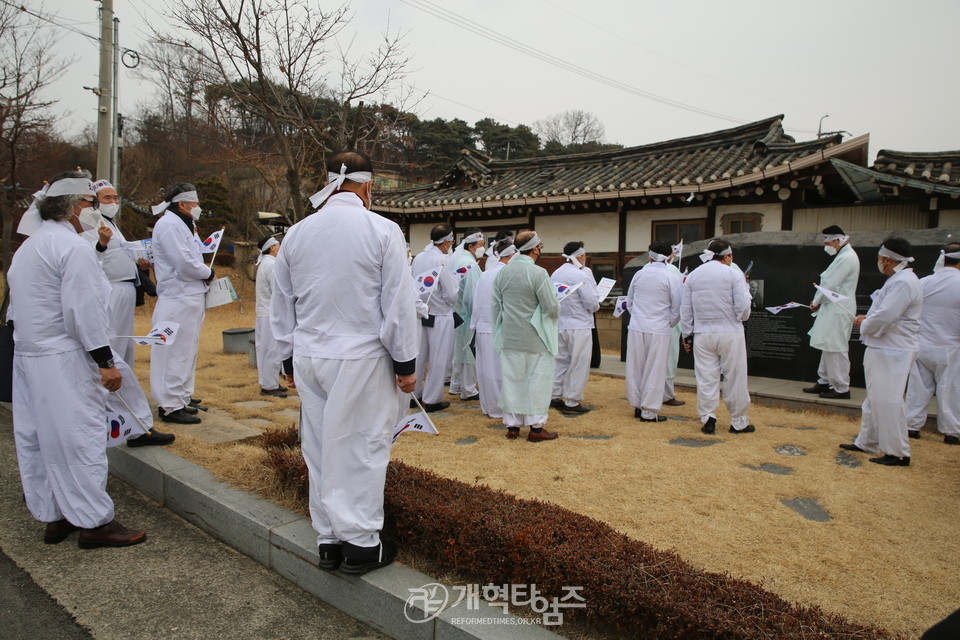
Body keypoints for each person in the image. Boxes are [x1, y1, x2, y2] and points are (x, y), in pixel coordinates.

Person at [271, 151, 418, 575]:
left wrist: (287, 361)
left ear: (330, 181)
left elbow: (282, 304)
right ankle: (361, 544)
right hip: (360, 356)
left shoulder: (297, 233)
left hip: (311, 355)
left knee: (319, 446)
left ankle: (329, 539)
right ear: (369, 186)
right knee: (362, 445)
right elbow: (398, 304)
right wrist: (406, 364)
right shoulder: (383, 229)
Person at [8, 170, 146, 547]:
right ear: (72, 208)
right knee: (79, 438)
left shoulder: (30, 247)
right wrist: (105, 362)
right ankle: (94, 523)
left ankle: (56, 516)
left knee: (39, 438)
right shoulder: (73, 248)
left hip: (30, 356)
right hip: (65, 358)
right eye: (89, 203)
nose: (95, 209)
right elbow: (81, 311)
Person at [841, 237, 922, 466]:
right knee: (875, 399)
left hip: (893, 349)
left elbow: (888, 316)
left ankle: (897, 451)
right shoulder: (899, 280)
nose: (879, 263)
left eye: (879, 259)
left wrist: (864, 325)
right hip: (884, 346)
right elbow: (885, 312)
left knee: (889, 400)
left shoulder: (904, 282)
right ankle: (868, 441)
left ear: (887, 260)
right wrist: (868, 319)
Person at [149, 183, 214, 425]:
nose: (198, 208)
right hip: (177, 297)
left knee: (186, 351)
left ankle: (181, 396)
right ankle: (169, 404)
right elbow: (185, 264)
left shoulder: (183, 224)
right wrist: (208, 271)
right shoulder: (169, 225)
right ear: (182, 204)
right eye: (195, 203)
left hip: (189, 296)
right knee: (173, 352)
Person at [492, 230, 561, 441]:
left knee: (512, 379)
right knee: (537, 381)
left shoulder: (503, 272)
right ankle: (536, 428)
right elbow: (550, 306)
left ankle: (512, 426)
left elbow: (496, 306)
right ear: (535, 248)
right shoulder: (538, 273)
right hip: (535, 336)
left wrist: (501, 330)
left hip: (511, 335)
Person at [680, 239, 754, 434]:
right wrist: (741, 317)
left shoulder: (694, 275)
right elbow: (743, 308)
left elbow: (686, 309)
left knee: (706, 377)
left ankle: (708, 417)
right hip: (730, 331)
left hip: (703, 333)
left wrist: (687, 335)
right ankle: (738, 421)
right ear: (727, 256)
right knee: (735, 376)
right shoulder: (734, 274)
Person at [81, 179, 148, 367]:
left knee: (125, 341)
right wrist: (101, 243)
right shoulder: (90, 224)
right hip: (110, 288)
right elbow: (88, 255)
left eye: (116, 198)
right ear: (96, 200)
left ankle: (124, 385)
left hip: (126, 287)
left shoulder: (112, 224)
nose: (113, 202)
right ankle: (109, 386)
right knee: (113, 338)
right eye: (107, 198)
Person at [905, 244, 960, 445]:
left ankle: (912, 426)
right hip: (951, 346)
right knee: (951, 389)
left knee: (918, 388)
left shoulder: (924, 282)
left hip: (921, 344)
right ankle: (951, 432)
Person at [626, 242, 683, 422]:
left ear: (650, 256)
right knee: (655, 369)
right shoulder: (671, 277)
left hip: (637, 326)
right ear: (670, 257)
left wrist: (637, 317)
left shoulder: (639, 274)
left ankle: (637, 404)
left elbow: (630, 302)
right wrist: (669, 323)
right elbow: (677, 307)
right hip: (659, 328)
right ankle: (649, 411)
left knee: (636, 367)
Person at [804, 225, 859, 399]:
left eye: (828, 242)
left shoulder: (846, 258)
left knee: (836, 346)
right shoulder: (843, 256)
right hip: (833, 306)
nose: (826, 245)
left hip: (838, 307)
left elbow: (830, 284)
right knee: (828, 344)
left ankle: (841, 387)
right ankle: (825, 380)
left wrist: (816, 301)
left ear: (837, 240)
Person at [410, 223, 458, 412]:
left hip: (422, 312)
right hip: (440, 314)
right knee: (439, 359)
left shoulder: (419, 257)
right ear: (446, 242)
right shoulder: (442, 260)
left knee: (420, 357)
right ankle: (432, 398)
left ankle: (414, 395)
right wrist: (447, 301)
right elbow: (451, 293)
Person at [549, 241, 599, 414]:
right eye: (583, 256)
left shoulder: (555, 273)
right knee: (579, 362)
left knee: (560, 361)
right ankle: (572, 400)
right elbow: (591, 302)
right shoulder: (581, 275)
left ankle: (554, 395)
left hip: (560, 323)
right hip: (579, 325)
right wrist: (596, 306)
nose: (585, 259)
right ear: (579, 256)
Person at [471, 237, 516, 419]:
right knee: (500, 370)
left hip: (482, 327)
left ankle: (488, 407)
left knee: (485, 370)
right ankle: (500, 409)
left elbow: (476, 301)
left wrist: (474, 324)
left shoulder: (485, 273)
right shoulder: (506, 273)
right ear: (511, 255)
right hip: (499, 327)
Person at [449, 229, 485, 401]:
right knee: (468, 352)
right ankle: (469, 389)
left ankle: (456, 385)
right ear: (471, 247)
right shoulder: (469, 264)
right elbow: (471, 295)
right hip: (467, 313)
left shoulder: (461, 260)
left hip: (458, 312)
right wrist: (476, 315)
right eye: (481, 245)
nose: (483, 248)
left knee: (460, 350)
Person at [255, 235, 288, 398]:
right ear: (272, 248)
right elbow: (279, 289)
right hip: (269, 313)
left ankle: (271, 382)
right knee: (271, 350)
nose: (280, 247)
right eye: (278, 244)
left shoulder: (265, 263)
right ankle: (269, 385)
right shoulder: (271, 264)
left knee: (266, 349)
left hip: (264, 312)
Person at [662, 244, 686, 407]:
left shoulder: (643, 270)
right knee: (668, 358)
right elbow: (679, 298)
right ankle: (667, 394)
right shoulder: (671, 271)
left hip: (646, 324)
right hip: (667, 322)